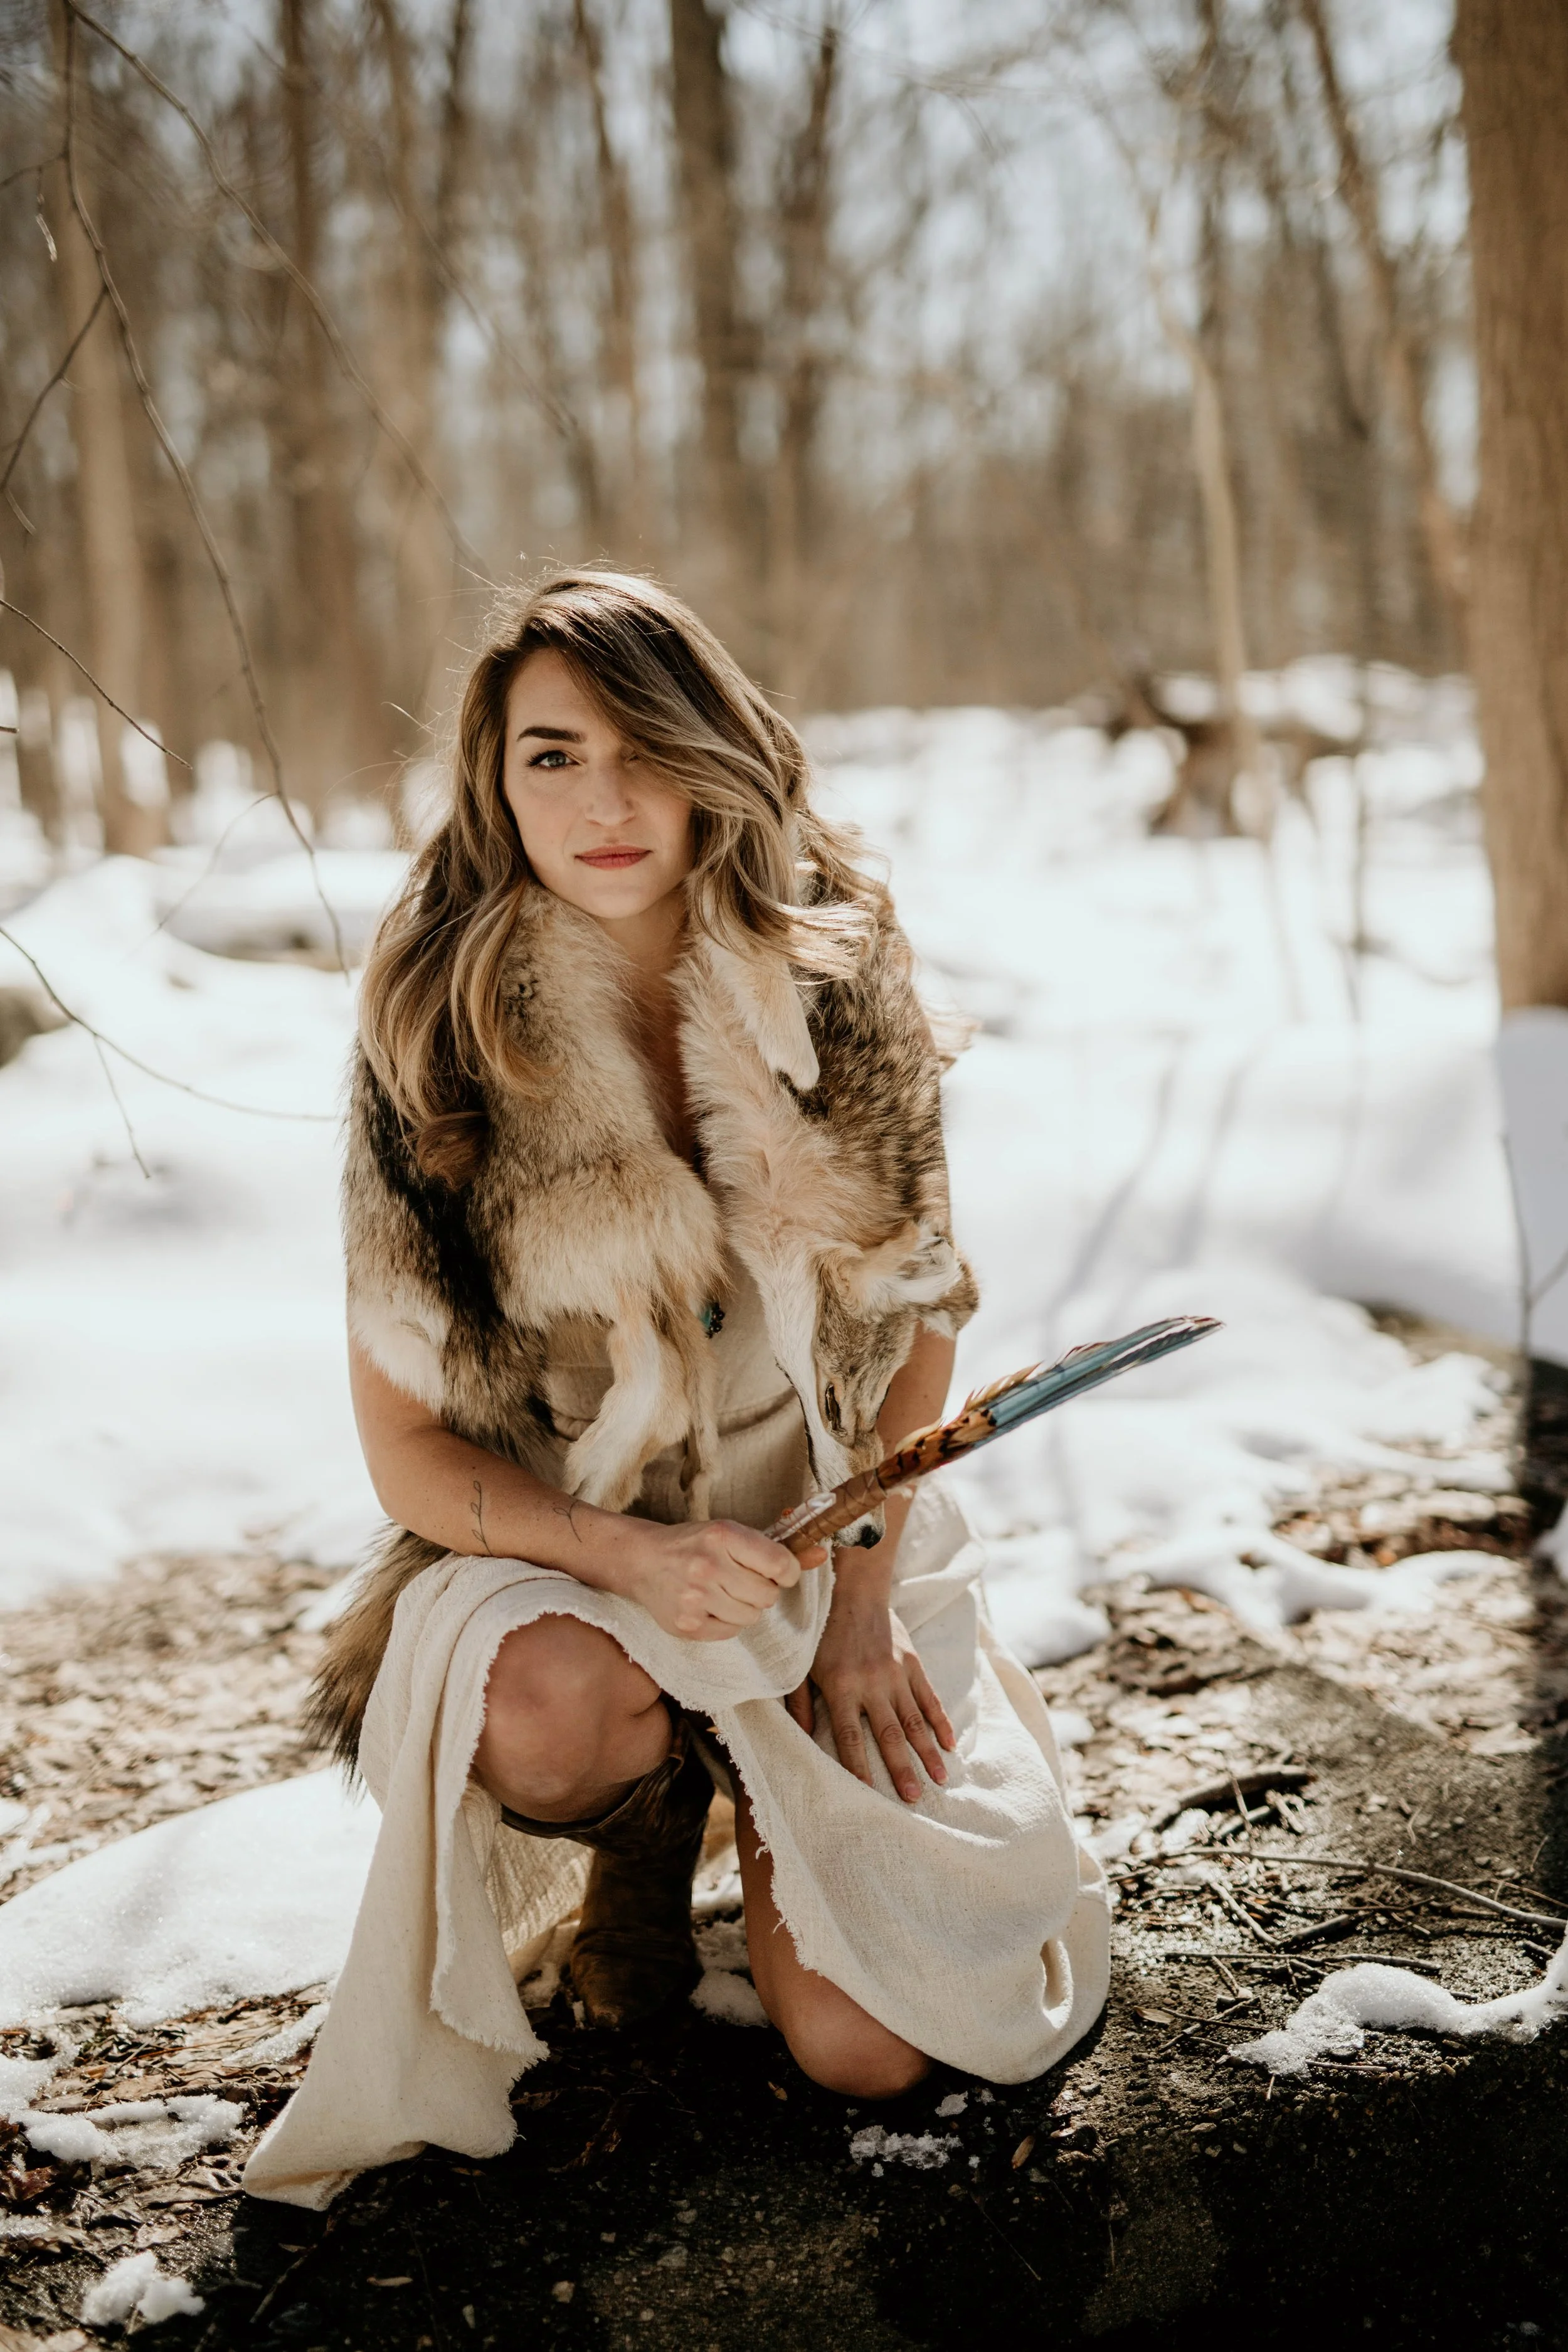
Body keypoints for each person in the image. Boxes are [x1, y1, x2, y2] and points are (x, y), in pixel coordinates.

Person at [281, 570, 1105, 2186]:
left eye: (642, 747)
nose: (604, 802)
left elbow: (923, 1305)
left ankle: (782, 1774)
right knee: (544, 1710)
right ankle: (648, 1833)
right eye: (550, 757)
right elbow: (403, 1444)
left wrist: (858, 1594)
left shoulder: (834, 969)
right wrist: (630, 1560)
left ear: (713, 748)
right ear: (490, 779)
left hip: (834, 1524)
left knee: (868, 2051)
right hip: (576, 1547)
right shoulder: (434, 1033)